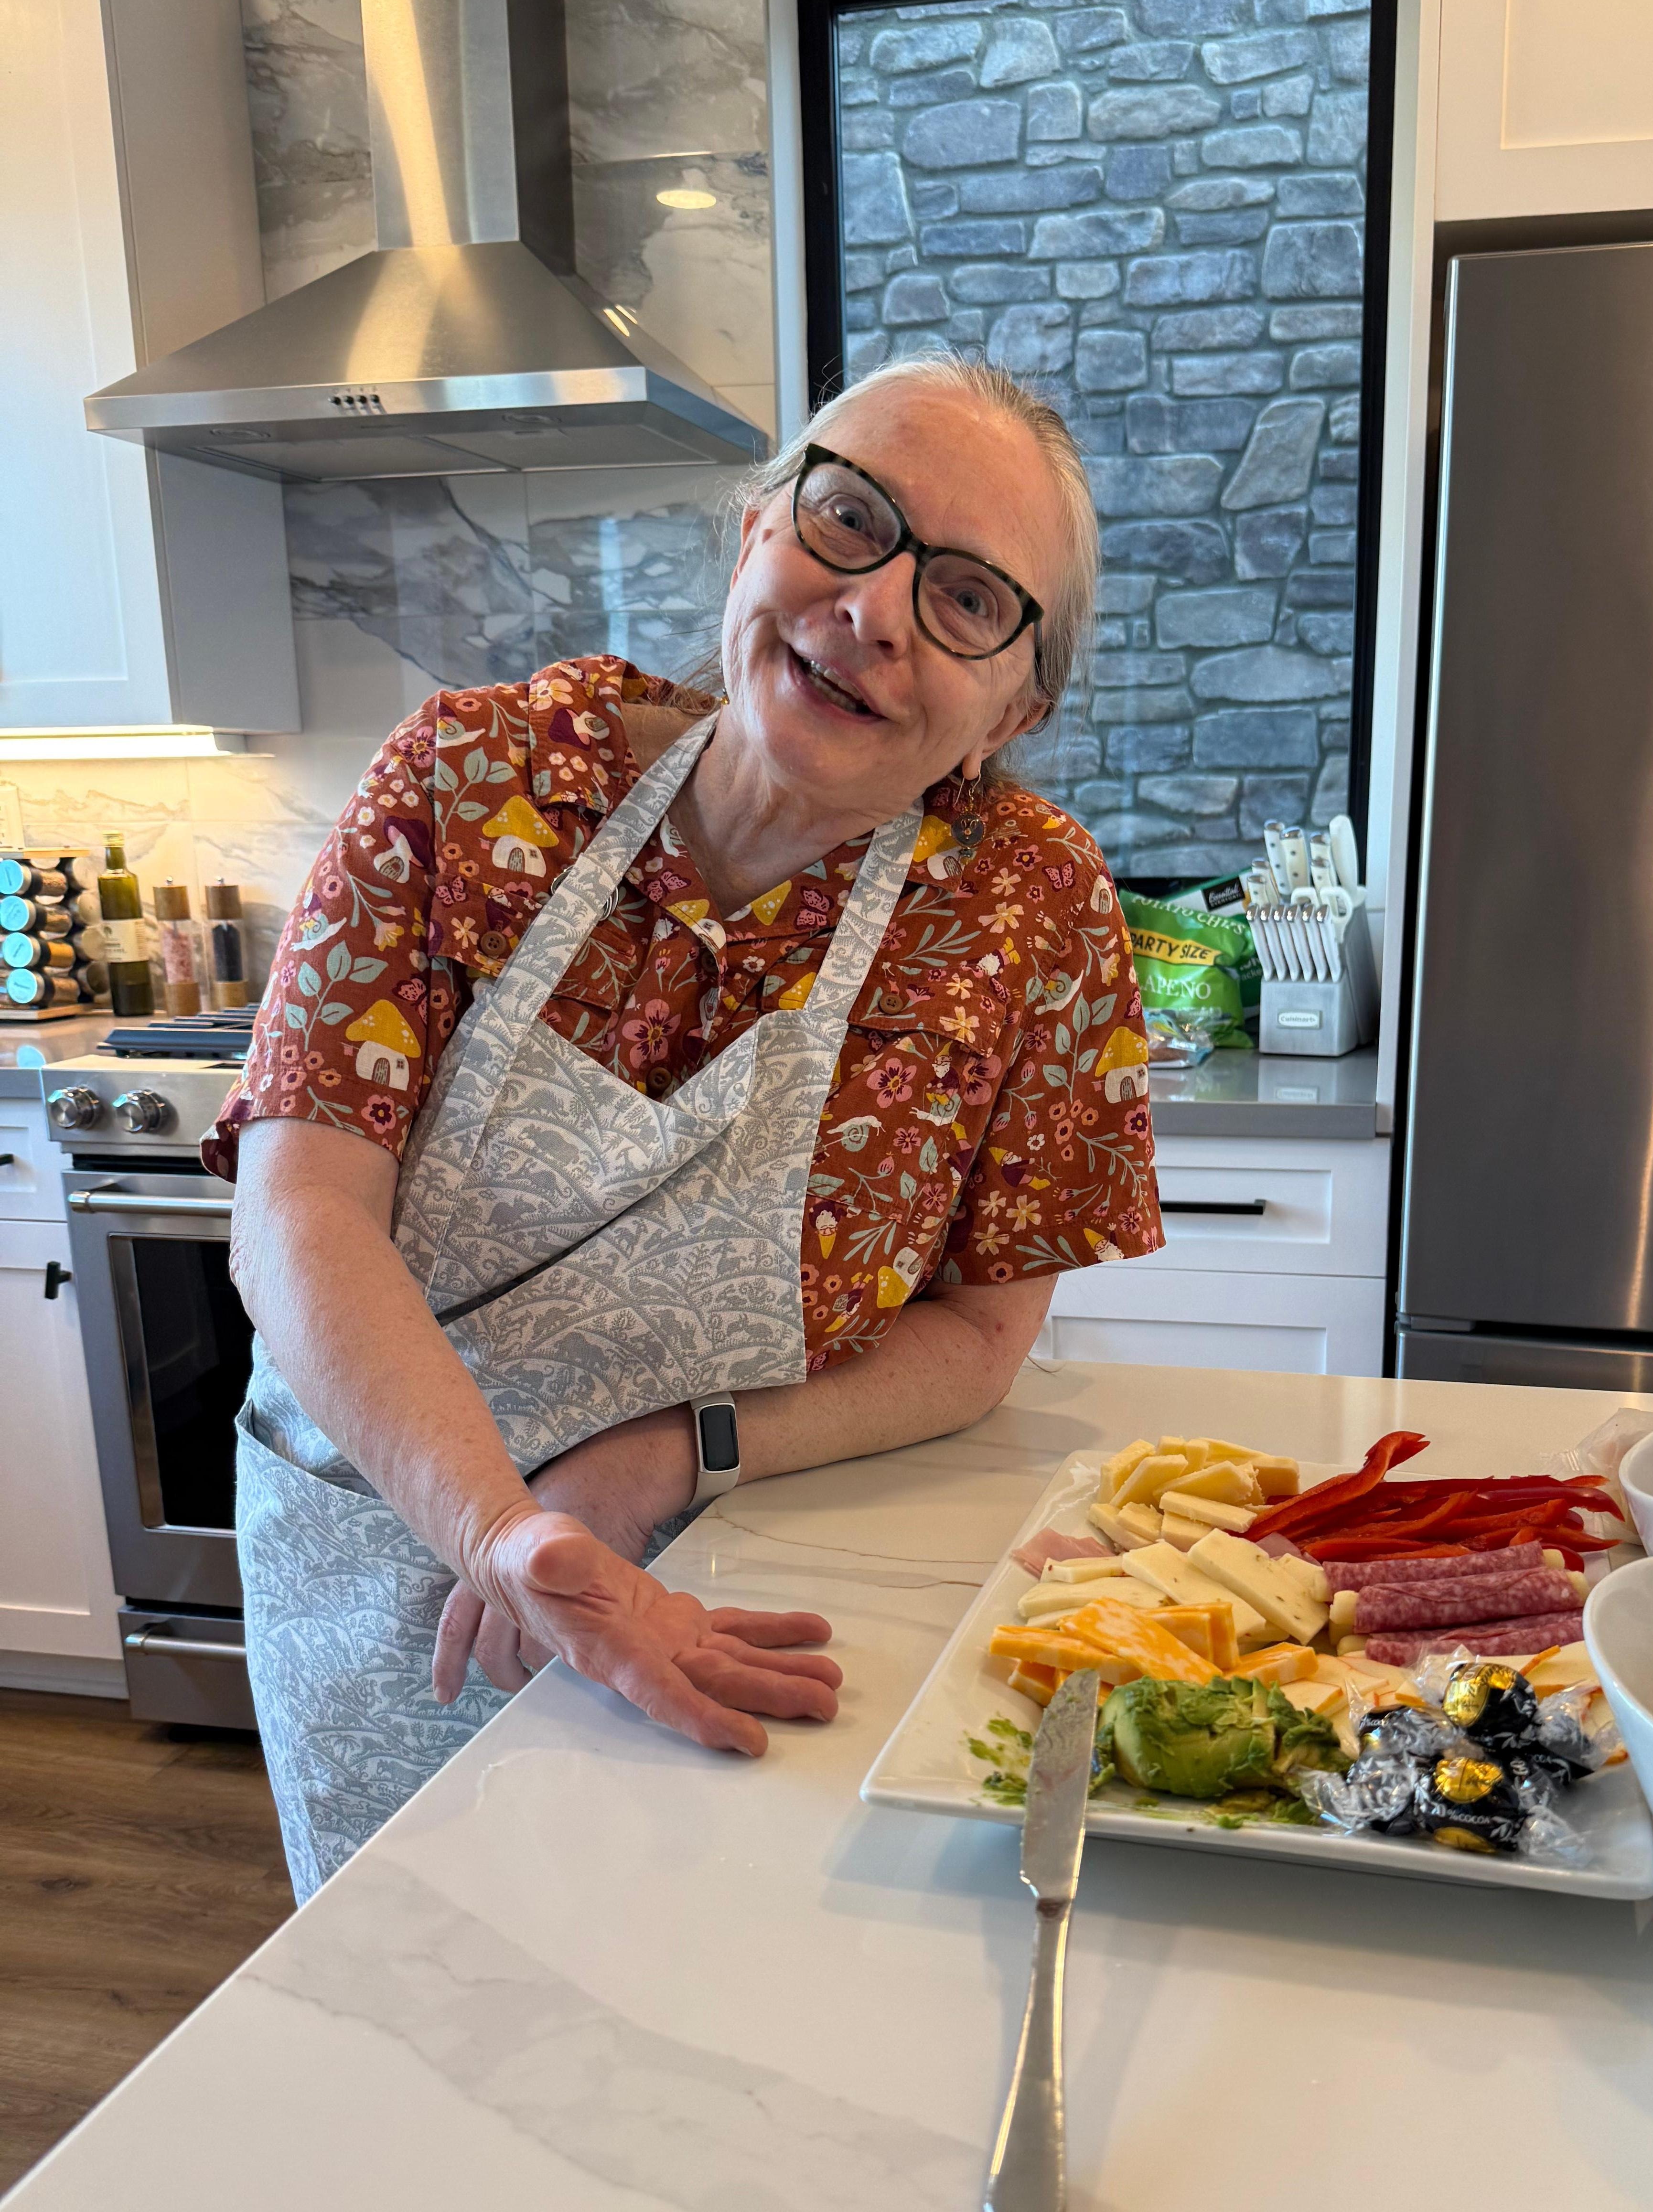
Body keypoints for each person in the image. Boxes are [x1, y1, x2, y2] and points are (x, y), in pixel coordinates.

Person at [207, 355, 1164, 1900]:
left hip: (757, 1563)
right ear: (754, 532)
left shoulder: (1029, 917)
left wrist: (670, 1452)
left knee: (712, 2012)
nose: (874, 609)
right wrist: (504, 1530)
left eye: (972, 602)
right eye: (851, 519)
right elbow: (299, 1212)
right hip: (385, 1547)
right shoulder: (471, 781)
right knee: (407, 2014)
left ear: (1013, 708)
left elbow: (983, 1337)